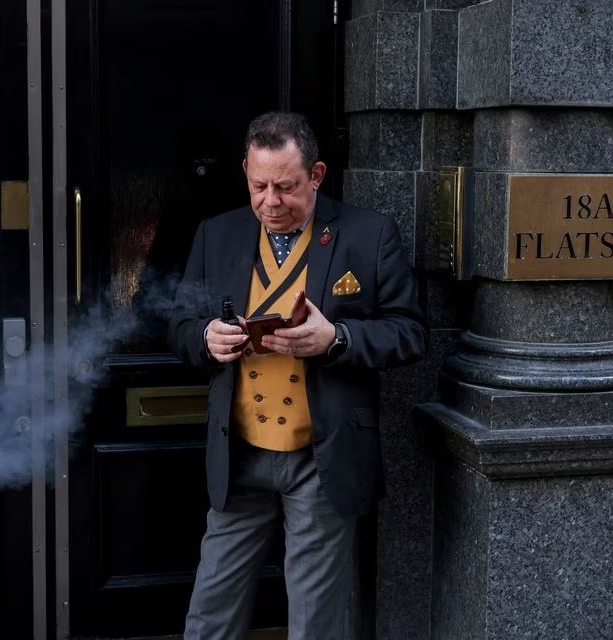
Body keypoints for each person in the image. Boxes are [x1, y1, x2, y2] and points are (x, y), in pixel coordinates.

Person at [167, 111, 427, 639]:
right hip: (238, 455)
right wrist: (203, 340)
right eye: (259, 185)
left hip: (321, 458)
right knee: (210, 612)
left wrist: (338, 339)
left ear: (317, 175)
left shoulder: (369, 234)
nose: (270, 202)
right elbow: (178, 326)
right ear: (245, 170)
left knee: (316, 621)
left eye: (286, 187)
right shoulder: (215, 234)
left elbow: (410, 333)